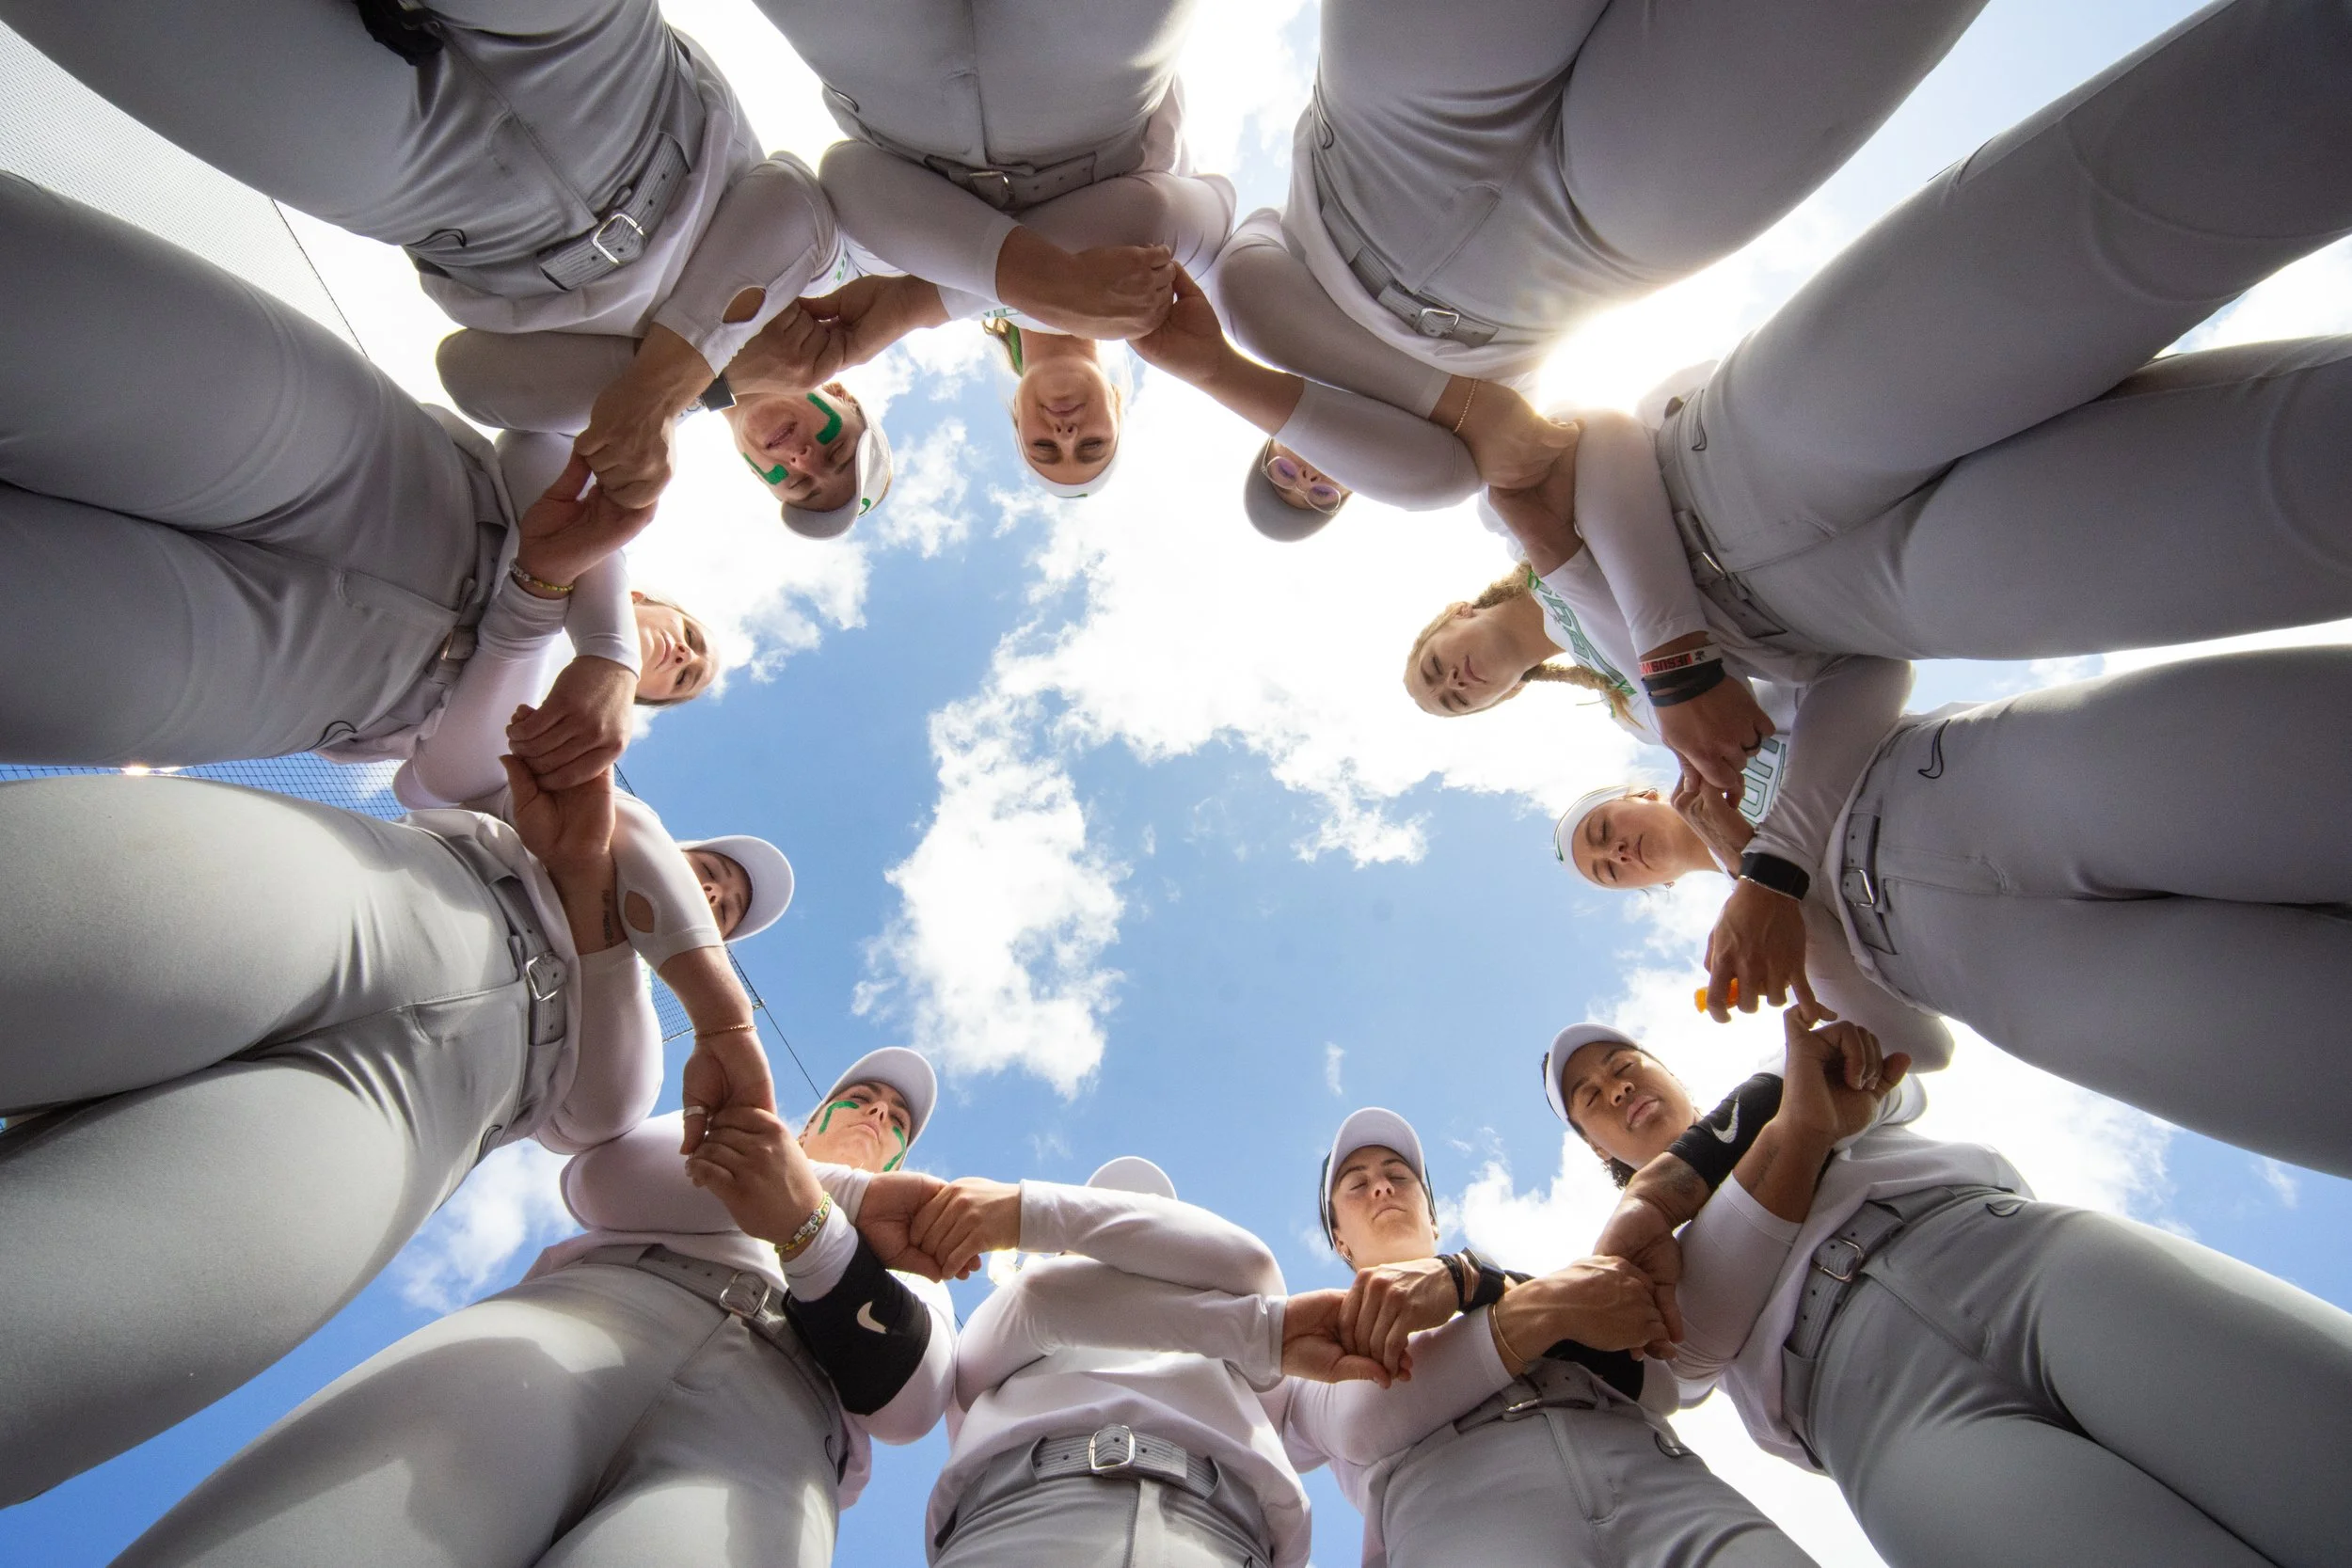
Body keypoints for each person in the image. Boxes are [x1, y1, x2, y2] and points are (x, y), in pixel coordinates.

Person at [1416, 0, 2352, 792]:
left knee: (2116, 214)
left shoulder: (1501, 517)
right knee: (2279, 505)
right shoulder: (1631, 716)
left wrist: (1668, 654)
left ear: (1449, 617)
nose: (1453, 682)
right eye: (1455, 702)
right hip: (1857, 607)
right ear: (1502, 700)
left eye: (1431, 667)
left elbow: (1607, 435)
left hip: (1751, 451)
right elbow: (1799, 724)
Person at [0, 755, 775, 1505]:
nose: (714, 892)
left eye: (728, 910)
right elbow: (576, 808)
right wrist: (671, 964)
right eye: (712, 870)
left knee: (78, 1325)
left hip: (423, 1108)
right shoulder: (585, 806)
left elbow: (597, 1115)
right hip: (392, 888)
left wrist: (592, 912)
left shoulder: (645, 1052)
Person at [0, 0, 897, 531]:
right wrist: (674, 379)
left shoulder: (635, 420)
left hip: (429, 199)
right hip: (610, 78)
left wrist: (685, 388)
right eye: (833, 445)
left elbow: (473, 376)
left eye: (794, 481)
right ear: (843, 397)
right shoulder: (825, 305)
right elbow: (791, 200)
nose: (800, 458)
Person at [1549, 1014, 2352, 1568]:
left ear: (1669, 1071)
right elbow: (1685, 1351)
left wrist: (1715, 1206)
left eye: (1623, 1065)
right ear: (1595, 1146)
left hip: (2014, 1256)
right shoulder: (1614, 1270)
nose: (1615, 1087)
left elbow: (1884, 1075)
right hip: (1871, 1412)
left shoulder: (1781, 1069)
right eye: (1590, 1096)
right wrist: (1800, 1135)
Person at [109, 1050, 951, 1568]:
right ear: (816, 1114)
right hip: (597, 1318)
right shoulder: (741, 1122)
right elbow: (604, 1179)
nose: (879, 1114)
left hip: (784, 1437)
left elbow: (912, 1401)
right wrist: (812, 1195)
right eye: (862, 1097)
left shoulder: (918, 1256)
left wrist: (813, 1225)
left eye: (897, 1120)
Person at [1543, 641, 2352, 1178]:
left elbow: (1868, 666)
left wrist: (1772, 863)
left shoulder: (1725, 723)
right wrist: (1744, 865)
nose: (1617, 853)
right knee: (2297, 1058)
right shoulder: (1748, 944)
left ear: (1638, 792)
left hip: (1991, 785)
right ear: (1641, 890)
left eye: (1605, 830)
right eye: (1606, 871)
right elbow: (1916, 1045)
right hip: (2009, 979)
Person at [1202, 0, 1988, 526]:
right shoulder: (1434, 468)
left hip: (1378, 144)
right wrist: (1462, 414)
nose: (1310, 475)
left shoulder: (1255, 326)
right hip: (1595, 251)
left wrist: (1463, 405)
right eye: (1323, 494)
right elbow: (1441, 479)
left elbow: (1247, 279)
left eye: (1284, 473)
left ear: (1268, 436)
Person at [0, 174, 672, 770]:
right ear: (647, 599)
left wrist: (539, 600)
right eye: (693, 638)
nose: (683, 658)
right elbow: (538, 444)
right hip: (383, 473)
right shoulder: (613, 549)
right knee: (50, 319)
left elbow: (450, 777)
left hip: (318, 680)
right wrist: (607, 649)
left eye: (682, 682)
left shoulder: (576, 747)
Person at [1286, 1107, 1811, 1567]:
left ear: (1433, 1218)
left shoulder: (1518, 1282)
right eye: (1357, 1185)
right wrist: (1554, 1310)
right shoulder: (1318, 1339)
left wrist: (1494, 1290)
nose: (1382, 1187)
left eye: (1398, 1175)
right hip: (1460, 1522)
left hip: (1660, 1478)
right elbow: (1360, 1417)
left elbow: (1657, 1381)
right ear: (1339, 1241)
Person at [751, 0, 1232, 498]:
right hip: (1104, 63)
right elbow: (1159, 212)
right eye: (1093, 444)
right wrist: (922, 301)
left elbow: (848, 174)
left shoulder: (923, 290)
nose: (1066, 434)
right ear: (1117, 400)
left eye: (1044, 447)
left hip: (883, 78)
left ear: (1015, 413)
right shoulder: (1158, 304)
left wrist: (928, 299)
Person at [895, 1157, 1353, 1568]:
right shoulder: (1257, 1334)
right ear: (1062, 1246)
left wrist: (1032, 1212)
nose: (1121, 1246)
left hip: (1224, 1528)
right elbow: (1043, 1300)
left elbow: (1251, 1267)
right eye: (1104, 1214)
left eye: (1145, 1222)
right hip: (1017, 1516)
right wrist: (1253, 1330)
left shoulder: (1259, 1334)